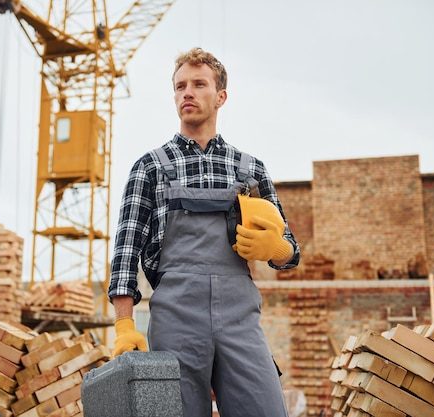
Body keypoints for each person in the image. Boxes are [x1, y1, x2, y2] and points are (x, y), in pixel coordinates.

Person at [107, 47, 300, 417]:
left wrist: (276, 248)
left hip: (240, 317)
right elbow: (125, 252)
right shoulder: (150, 168)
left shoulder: (250, 170)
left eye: (198, 84)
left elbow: (291, 252)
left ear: (221, 96)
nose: (187, 93)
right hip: (176, 316)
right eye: (180, 86)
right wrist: (124, 324)